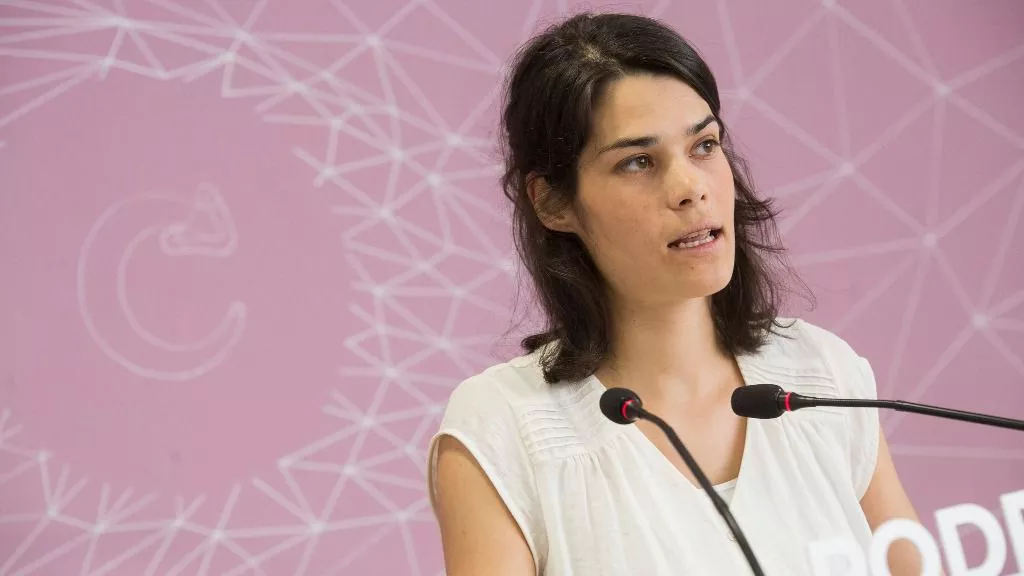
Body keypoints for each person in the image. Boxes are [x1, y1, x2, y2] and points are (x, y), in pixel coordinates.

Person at [427, 11, 923, 576]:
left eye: (704, 145)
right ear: (552, 202)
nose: (690, 188)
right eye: (637, 162)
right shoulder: (504, 426)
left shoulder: (822, 376)